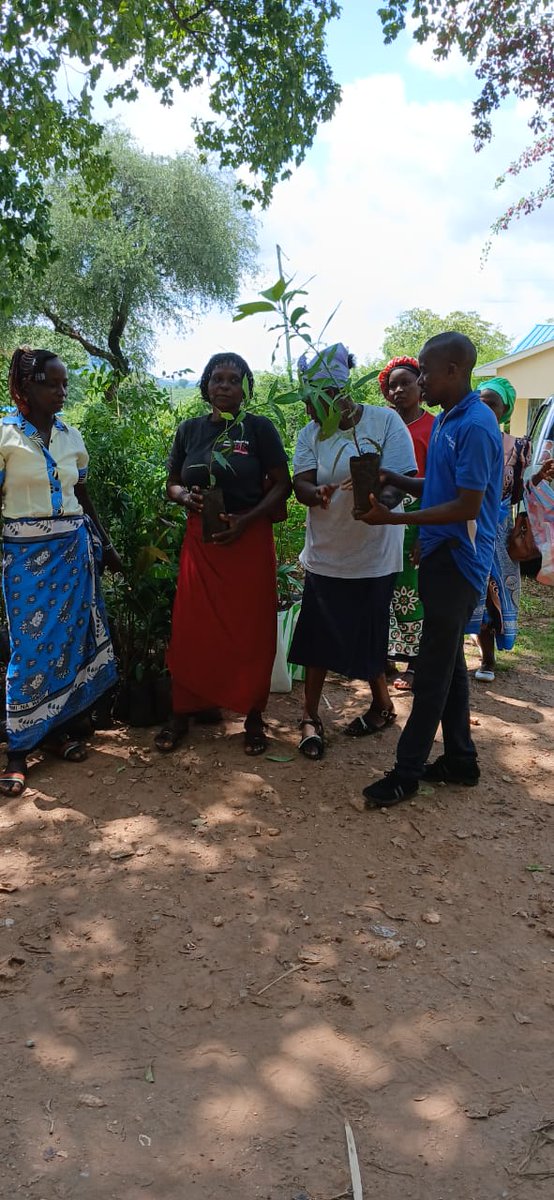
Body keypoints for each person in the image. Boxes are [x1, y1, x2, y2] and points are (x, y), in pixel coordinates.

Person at [358, 332, 503, 806]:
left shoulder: (476, 425)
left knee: (433, 673)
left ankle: (406, 774)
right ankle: (461, 761)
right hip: (440, 556)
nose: (419, 380)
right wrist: (396, 479)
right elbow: (439, 486)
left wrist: (395, 519)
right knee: (450, 663)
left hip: (461, 562)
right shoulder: (447, 420)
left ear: (454, 370)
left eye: (425, 371)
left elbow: (466, 506)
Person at [156, 352, 291, 756]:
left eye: (235, 379)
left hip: (248, 541)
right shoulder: (190, 430)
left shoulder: (259, 428)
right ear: (206, 386)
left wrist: (247, 519)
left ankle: (253, 716)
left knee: (251, 629)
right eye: (218, 378)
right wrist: (185, 497)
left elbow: (282, 484)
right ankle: (182, 711)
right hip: (202, 542)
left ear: (246, 388)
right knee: (191, 628)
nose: (225, 386)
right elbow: (173, 483)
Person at [0, 347, 121, 796]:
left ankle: (56, 733)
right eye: (51, 383)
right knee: (29, 649)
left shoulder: (71, 437)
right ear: (25, 387)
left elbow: (83, 498)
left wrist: (106, 545)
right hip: (24, 557)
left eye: (64, 383)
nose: (61, 391)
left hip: (73, 552)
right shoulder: (5, 435)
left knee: (68, 644)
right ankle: (17, 750)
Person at [288, 343, 417, 759]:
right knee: (317, 636)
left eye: (313, 399)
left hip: (375, 553)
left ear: (337, 393)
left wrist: (383, 505)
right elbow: (301, 483)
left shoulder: (384, 422)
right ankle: (310, 715)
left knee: (368, 635)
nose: (308, 408)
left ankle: (382, 705)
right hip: (326, 552)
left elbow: (402, 478)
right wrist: (316, 493)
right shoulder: (310, 434)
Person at [466, 378, 531, 681]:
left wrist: (535, 478)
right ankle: (473, 657)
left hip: (500, 531)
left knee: (495, 595)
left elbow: (518, 494)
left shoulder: (517, 446)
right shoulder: (468, 437)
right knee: (470, 591)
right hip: (468, 525)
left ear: (505, 410)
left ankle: (488, 660)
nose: (485, 408)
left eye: (492, 403)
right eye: (480, 401)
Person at [379, 356, 435, 691]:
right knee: (384, 587)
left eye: (405, 383)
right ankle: (384, 655)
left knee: (413, 592)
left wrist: (425, 534)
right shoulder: (382, 426)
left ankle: (415, 662)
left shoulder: (434, 427)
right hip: (384, 515)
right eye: (392, 386)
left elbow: (437, 484)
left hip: (417, 516)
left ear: (421, 386)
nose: (398, 390)